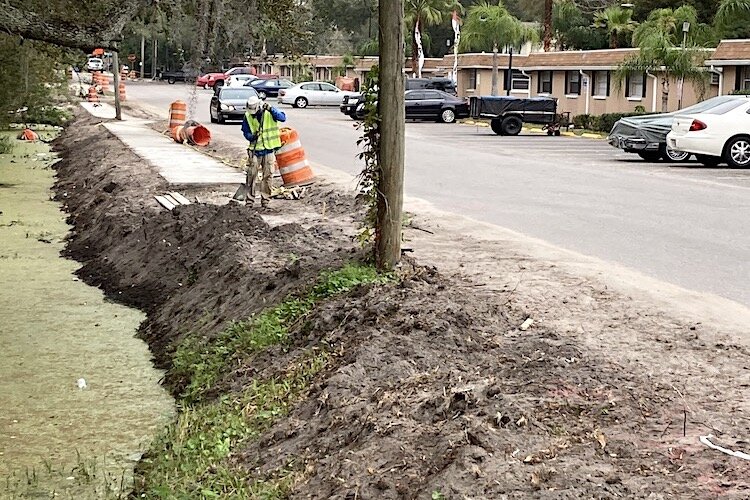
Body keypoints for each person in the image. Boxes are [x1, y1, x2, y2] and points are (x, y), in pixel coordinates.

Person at [240, 95, 286, 207]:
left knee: (268, 175)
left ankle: (265, 200)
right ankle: (250, 201)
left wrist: (271, 109)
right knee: (251, 175)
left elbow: (282, 118)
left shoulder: (269, 112)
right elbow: (245, 132)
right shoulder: (248, 116)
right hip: (255, 150)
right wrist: (251, 137)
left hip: (268, 149)